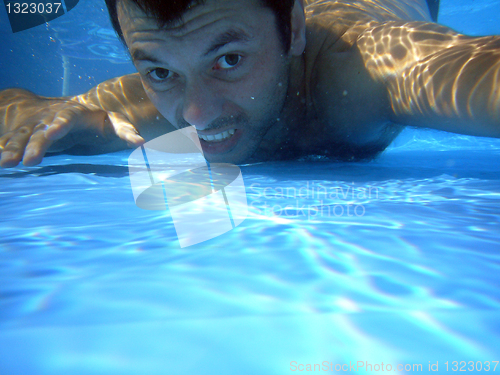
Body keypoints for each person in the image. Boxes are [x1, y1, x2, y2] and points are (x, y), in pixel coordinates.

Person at [0, 0, 499, 168]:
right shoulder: (150, 99)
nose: (195, 115)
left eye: (230, 59)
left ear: (295, 30)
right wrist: (28, 113)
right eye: (158, 70)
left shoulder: (370, 70)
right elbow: (18, 104)